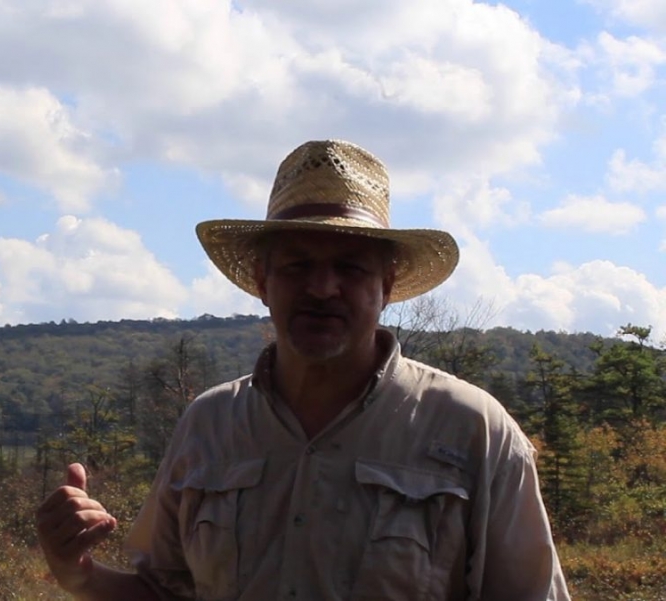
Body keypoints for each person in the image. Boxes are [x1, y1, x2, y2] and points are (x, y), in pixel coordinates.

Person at [35, 139, 571, 600]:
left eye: (349, 267)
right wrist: (77, 572)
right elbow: (164, 591)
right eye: (297, 266)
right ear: (264, 283)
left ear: (385, 285)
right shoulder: (210, 424)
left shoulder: (472, 428)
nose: (321, 288)